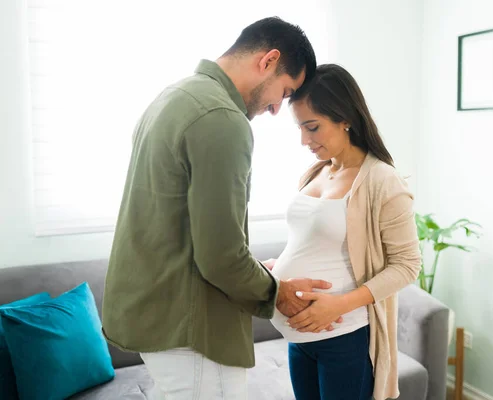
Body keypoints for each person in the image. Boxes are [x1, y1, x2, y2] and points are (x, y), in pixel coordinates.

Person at [102, 17, 335, 400]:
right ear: (268, 60)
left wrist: (257, 270)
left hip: (159, 318)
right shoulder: (222, 119)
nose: (277, 108)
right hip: (192, 329)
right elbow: (221, 257)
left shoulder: (174, 96)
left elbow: (179, 228)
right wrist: (278, 291)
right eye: (285, 90)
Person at [264, 64, 422, 400]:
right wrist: (280, 267)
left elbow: (407, 264)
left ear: (344, 118)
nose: (304, 140)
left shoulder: (381, 180)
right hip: (299, 340)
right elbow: (316, 242)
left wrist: (338, 305)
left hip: (343, 336)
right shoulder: (316, 171)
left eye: (312, 127)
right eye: (300, 128)